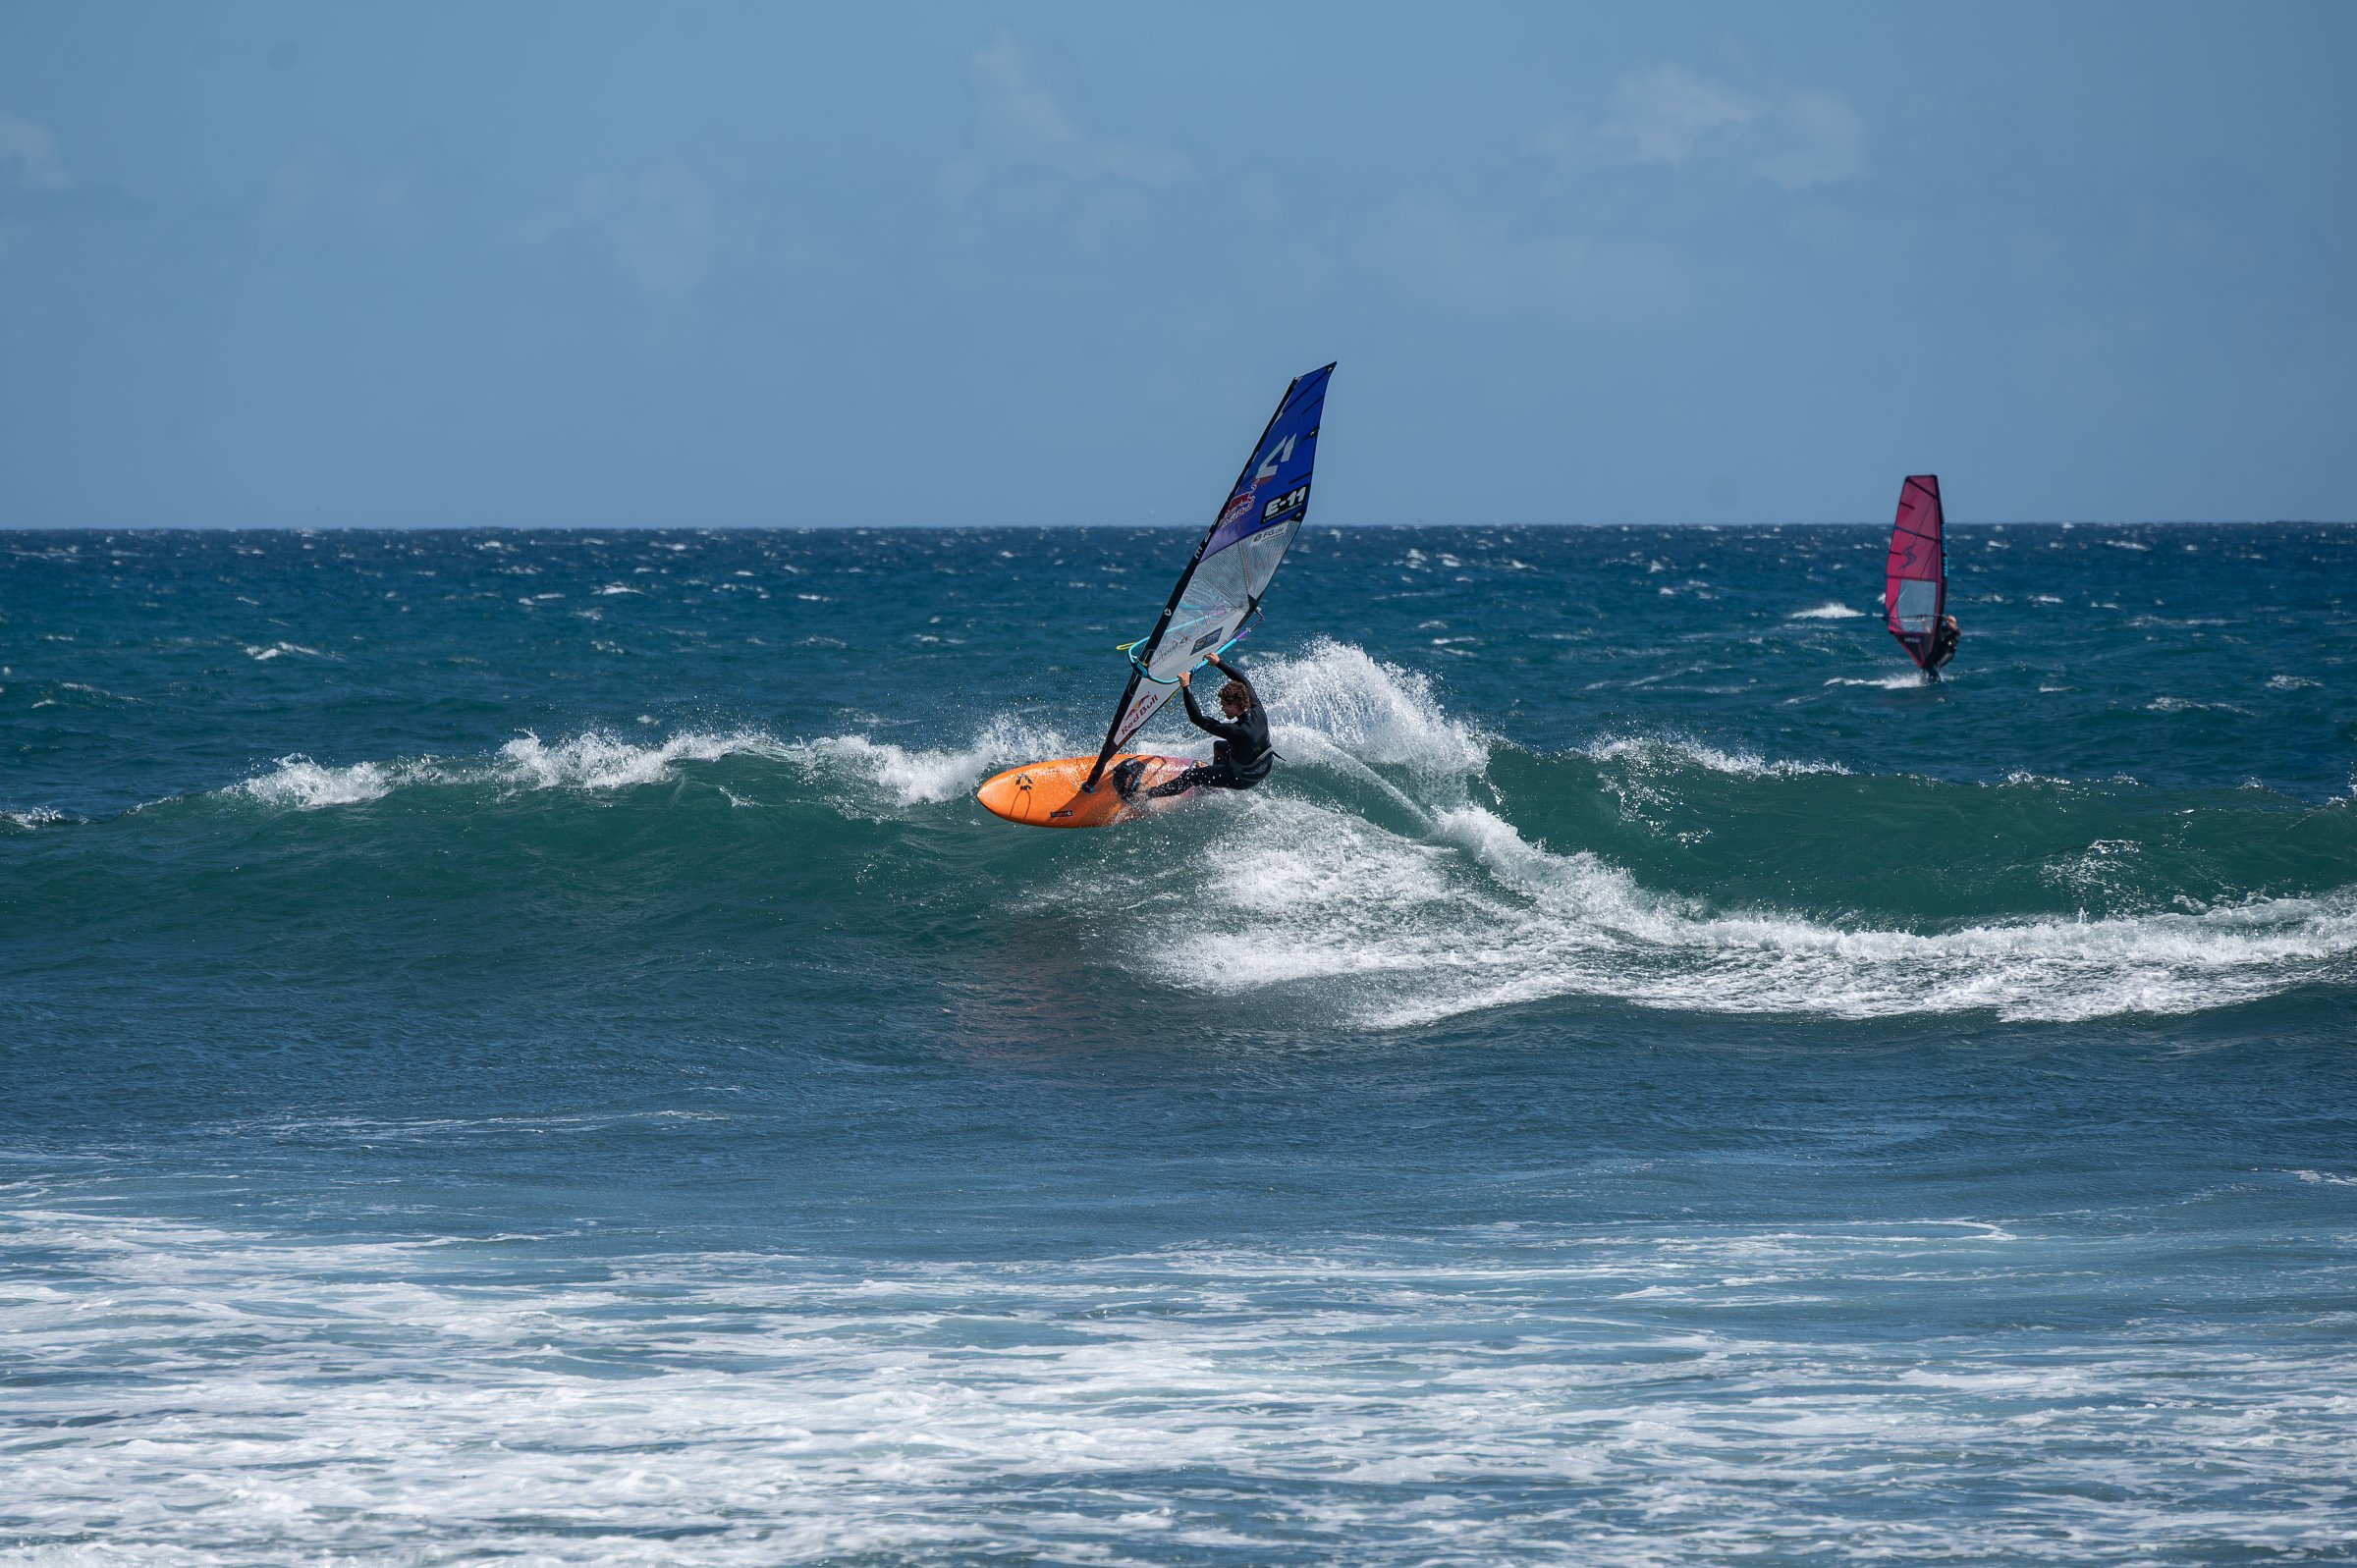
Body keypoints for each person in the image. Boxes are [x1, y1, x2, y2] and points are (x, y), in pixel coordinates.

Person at [1113, 654, 1274, 800]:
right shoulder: (1256, 709)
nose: (1222, 708)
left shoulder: (1238, 731)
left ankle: (1144, 795)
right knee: (1219, 746)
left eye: (1225, 705)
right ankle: (1213, 780)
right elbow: (1244, 682)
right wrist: (1219, 663)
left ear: (1236, 705)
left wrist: (1186, 687)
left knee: (1191, 775)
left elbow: (1197, 719)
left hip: (1243, 778)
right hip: (1263, 765)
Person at [1923, 613, 1960, 680]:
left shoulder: (1956, 631)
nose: (1949, 622)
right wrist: (1924, 623)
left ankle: (1936, 679)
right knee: (1927, 664)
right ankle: (1924, 678)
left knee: (1938, 664)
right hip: (1939, 651)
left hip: (1948, 652)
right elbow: (1930, 633)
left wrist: (1946, 619)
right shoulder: (1942, 629)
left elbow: (1954, 628)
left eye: (1952, 622)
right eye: (1949, 621)